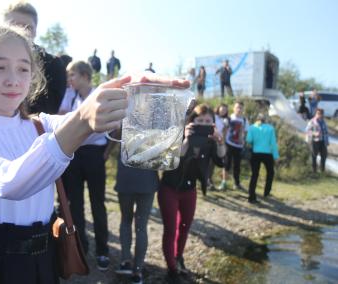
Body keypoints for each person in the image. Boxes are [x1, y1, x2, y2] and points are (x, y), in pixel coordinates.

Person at [0, 25, 129, 284]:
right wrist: (83, 121)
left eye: (23, 68)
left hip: (43, 263)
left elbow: (87, 120)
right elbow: (10, 182)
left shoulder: (42, 125)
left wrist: (137, 90)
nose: (13, 79)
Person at [159, 104, 225, 283]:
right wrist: (187, 139)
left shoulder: (210, 141)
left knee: (185, 227)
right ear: (191, 121)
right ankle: (171, 268)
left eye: (208, 121)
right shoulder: (179, 134)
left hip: (190, 190)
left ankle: (179, 258)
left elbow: (221, 161)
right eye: (200, 121)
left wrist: (220, 141)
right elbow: (172, 158)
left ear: (213, 123)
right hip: (169, 188)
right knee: (171, 229)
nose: (204, 124)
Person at [58, 61, 111, 270]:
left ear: (85, 75)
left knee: (97, 203)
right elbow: (61, 121)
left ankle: (102, 251)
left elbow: (112, 127)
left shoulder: (99, 95)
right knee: (75, 205)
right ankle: (81, 248)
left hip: (95, 155)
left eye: (72, 75)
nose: (69, 79)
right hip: (75, 155)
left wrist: (105, 154)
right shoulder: (70, 96)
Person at [104, 130, 159, 284]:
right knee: (141, 226)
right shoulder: (157, 117)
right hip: (148, 177)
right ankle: (138, 271)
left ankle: (125, 261)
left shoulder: (125, 113)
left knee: (126, 220)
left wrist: (106, 152)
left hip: (126, 175)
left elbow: (113, 134)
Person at [4, 1, 67, 114]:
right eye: (13, 26)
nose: (20, 32)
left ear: (35, 32)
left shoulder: (53, 65)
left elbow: (47, 111)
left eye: (27, 28)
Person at [246, 113, 279, 203]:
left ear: (257, 119)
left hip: (256, 153)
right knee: (270, 172)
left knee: (254, 174)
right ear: (265, 120)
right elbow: (273, 144)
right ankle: (267, 192)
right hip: (267, 154)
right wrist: (276, 156)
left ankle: (251, 196)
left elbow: (248, 140)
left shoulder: (252, 127)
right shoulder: (270, 128)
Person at [219, 102, 248, 191]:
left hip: (239, 146)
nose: (239, 109)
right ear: (234, 108)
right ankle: (224, 183)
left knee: (237, 166)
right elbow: (224, 130)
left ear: (243, 109)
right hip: (228, 144)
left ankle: (237, 183)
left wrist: (243, 142)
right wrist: (223, 143)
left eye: (241, 108)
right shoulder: (229, 118)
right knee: (226, 164)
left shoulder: (244, 119)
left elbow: (246, 132)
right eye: (237, 107)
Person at [306, 108, 329, 173]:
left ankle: (322, 170)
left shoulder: (323, 122)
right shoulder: (312, 121)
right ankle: (314, 171)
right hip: (314, 141)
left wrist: (327, 141)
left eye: (321, 113)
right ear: (316, 114)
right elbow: (307, 131)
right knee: (314, 156)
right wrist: (314, 133)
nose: (320, 115)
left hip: (323, 141)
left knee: (324, 156)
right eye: (318, 113)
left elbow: (326, 132)